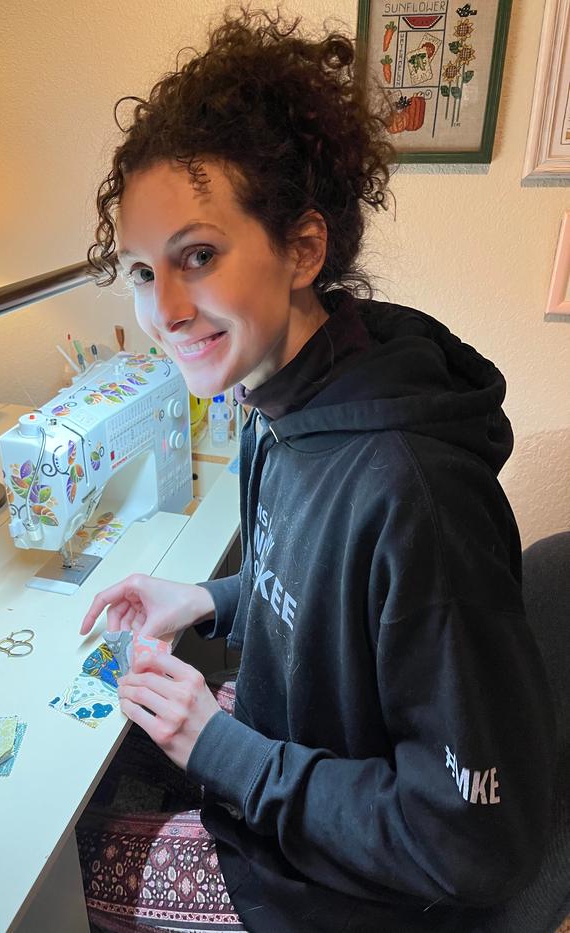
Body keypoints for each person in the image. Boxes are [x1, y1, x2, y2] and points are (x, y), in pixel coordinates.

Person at [76, 8, 556, 932]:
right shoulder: (277, 394)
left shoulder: (410, 489)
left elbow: (478, 838)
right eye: (141, 271)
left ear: (303, 248)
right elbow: (315, 587)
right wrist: (212, 599)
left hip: (344, 890)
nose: (165, 309)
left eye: (199, 256)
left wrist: (223, 750)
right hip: (290, 774)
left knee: (73, 857)